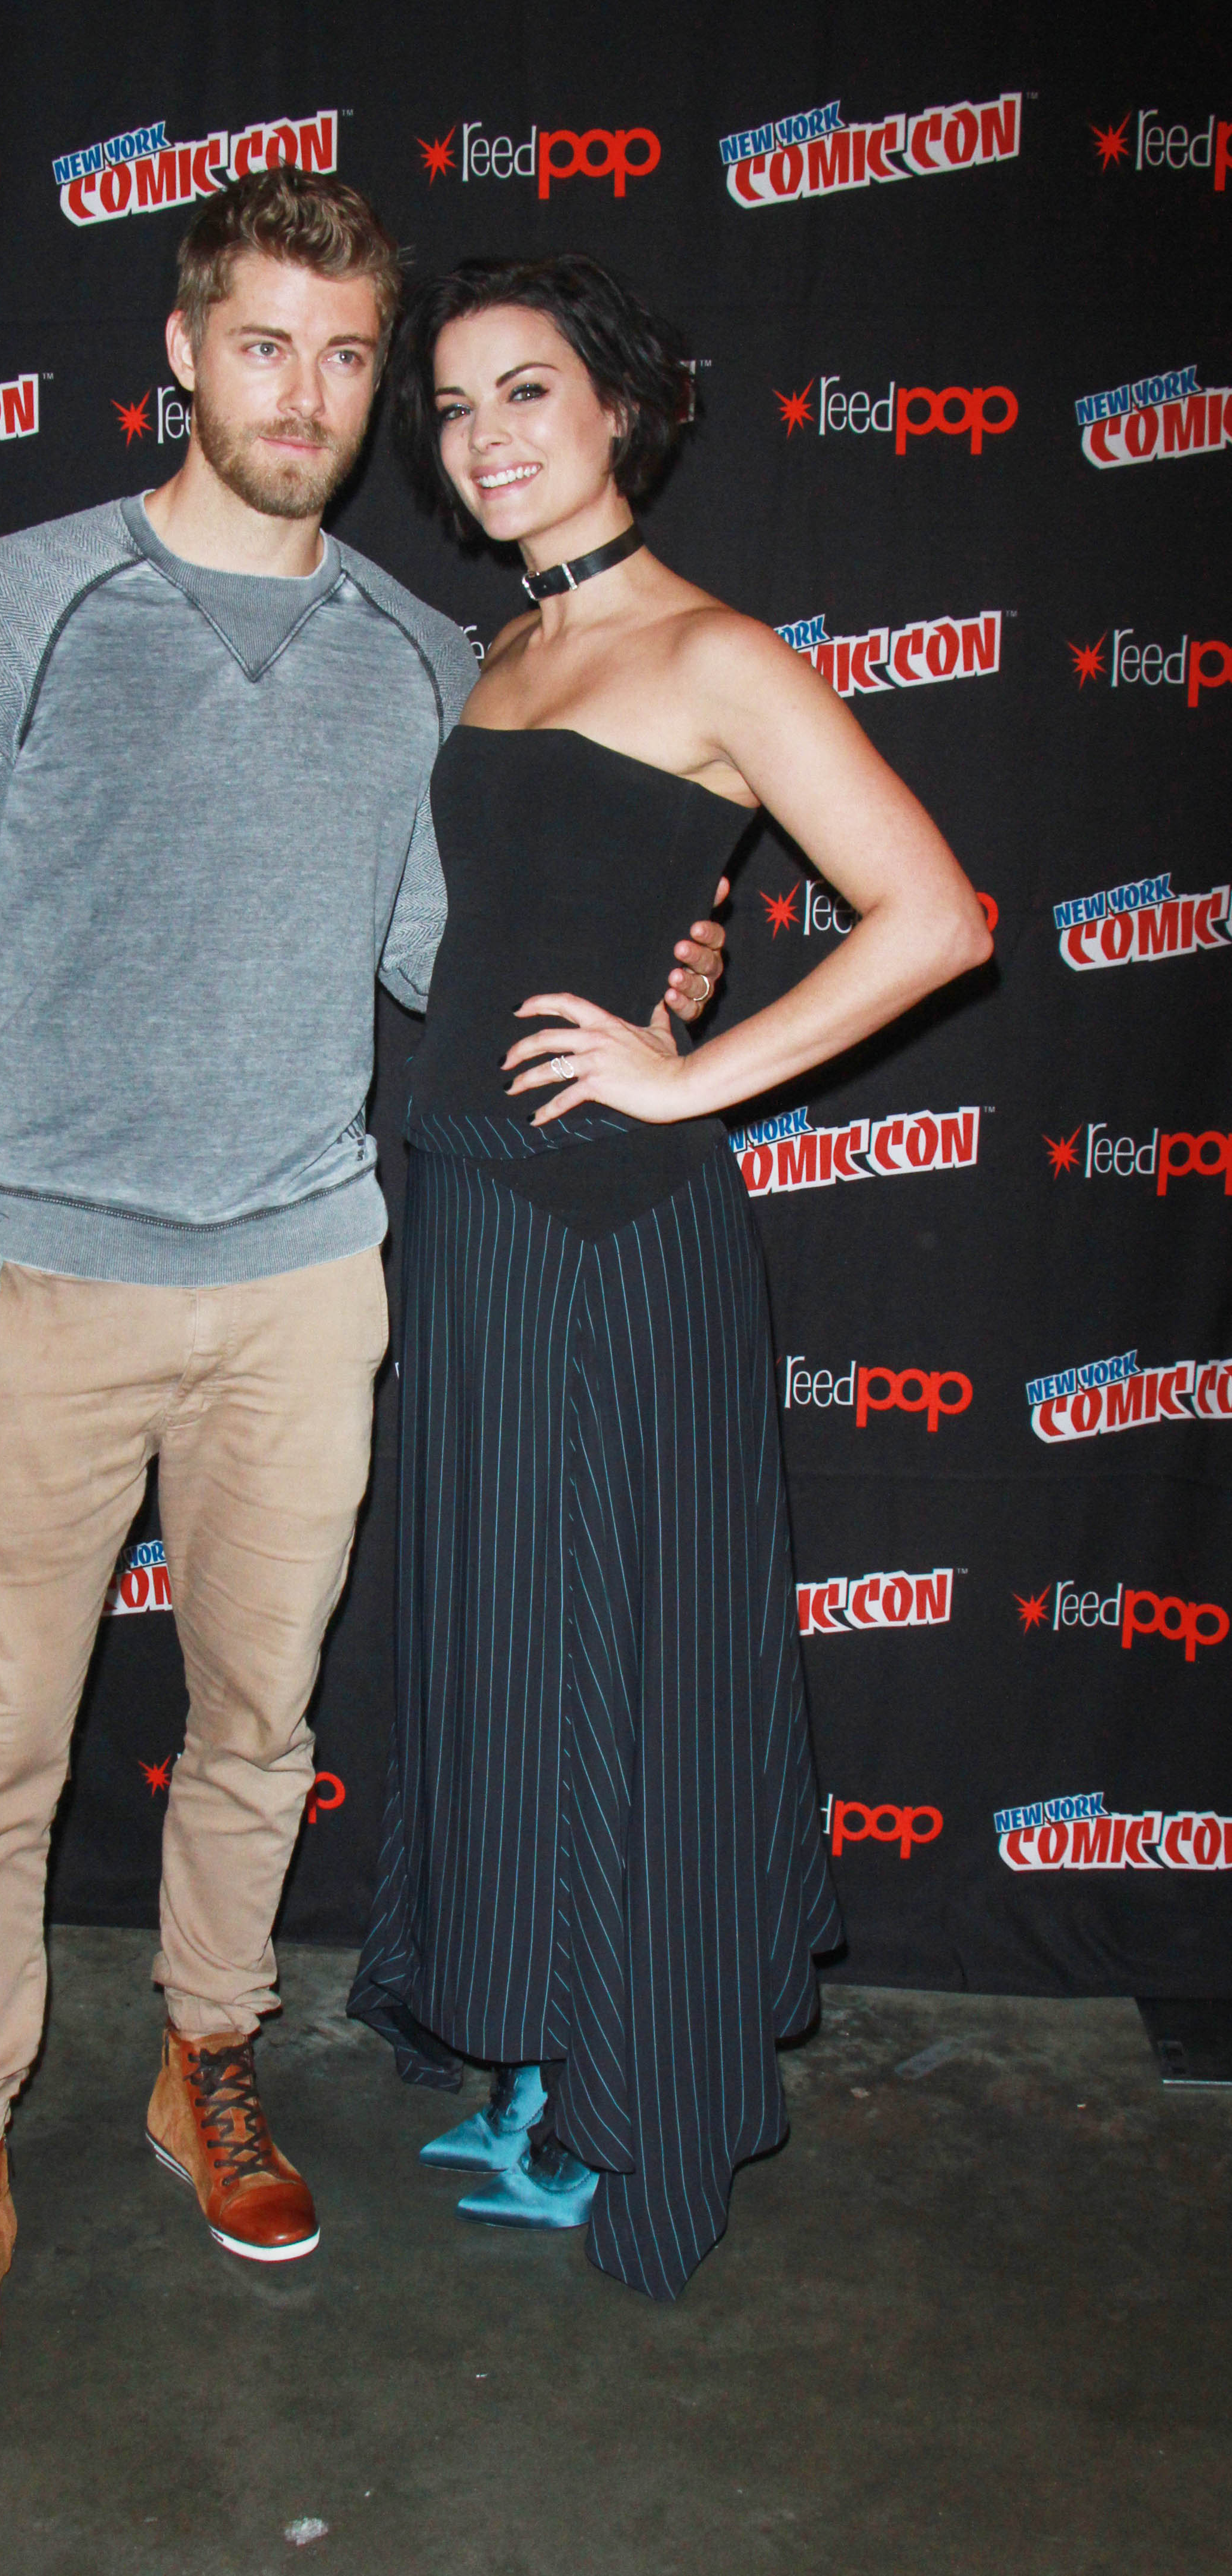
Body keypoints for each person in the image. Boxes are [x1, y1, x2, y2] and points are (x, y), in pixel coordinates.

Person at [0, 178, 727, 2414]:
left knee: (259, 1730)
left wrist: (649, 956)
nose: (309, 395)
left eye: (349, 358)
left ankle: (207, 2059)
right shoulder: (15, 598)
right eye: (267, 345)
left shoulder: (420, 652)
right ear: (183, 348)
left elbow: (446, 956)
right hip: (45, 1286)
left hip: (308, 1290)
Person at [349, 255, 992, 2300]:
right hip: (471, 1218)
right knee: (508, 1671)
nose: (486, 435)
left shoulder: (716, 651)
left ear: (621, 406)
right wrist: (670, 960)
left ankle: (638, 2100)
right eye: (454, 404)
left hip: (611, 1241)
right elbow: (551, 902)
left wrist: (691, 1069)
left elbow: (937, 917)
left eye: (527, 390)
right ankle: (543, 2051)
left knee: (626, 1678)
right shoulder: (497, 649)